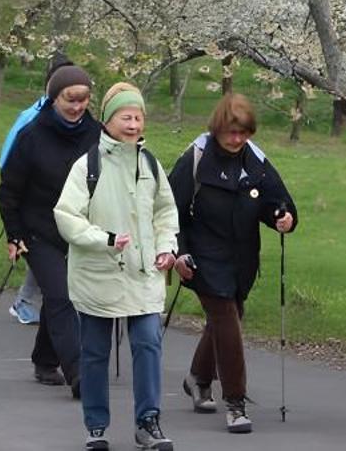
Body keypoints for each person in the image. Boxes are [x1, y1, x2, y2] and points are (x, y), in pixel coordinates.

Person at [55, 82, 179, 451]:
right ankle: (96, 426)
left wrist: (166, 247)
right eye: (126, 116)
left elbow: (165, 212)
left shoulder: (151, 164)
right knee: (94, 353)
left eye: (138, 116)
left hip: (143, 277)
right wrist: (105, 240)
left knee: (148, 345)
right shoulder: (87, 166)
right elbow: (66, 215)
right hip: (99, 275)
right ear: (108, 121)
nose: (133, 123)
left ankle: (149, 422)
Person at [168, 93, 298, 434]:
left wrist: (282, 218)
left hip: (242, 258)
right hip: (202, 255)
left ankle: (197, 377)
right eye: (231, 133)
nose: (237, 140)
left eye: (243, 133)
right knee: (227, 319)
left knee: (228, 316)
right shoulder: (195, 158)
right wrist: (178, 251)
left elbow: (278, 202)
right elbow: (169, 212)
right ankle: (236, 402)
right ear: (217, 129)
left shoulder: (255, 161)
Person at [0, 61, 99, 395]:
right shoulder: (32, 135)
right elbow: (9, 190)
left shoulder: (97, 134)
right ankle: (78, 372)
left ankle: (44, 359)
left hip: (80, 228)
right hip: (38, 230)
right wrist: (13, 234)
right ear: (54, 98)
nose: (77, 106)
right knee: (61, 295)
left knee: (65, 297)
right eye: (70, 99)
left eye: (83, 99)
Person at [0, 53, 79, 327]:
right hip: (36, 203)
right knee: (46, 253)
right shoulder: (31, 118)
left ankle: (36, 305)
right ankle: (25, 301)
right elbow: (8, 159)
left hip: (68, 201)